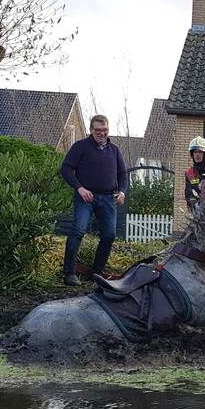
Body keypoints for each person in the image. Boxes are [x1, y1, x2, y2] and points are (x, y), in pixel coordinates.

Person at [60, 114, 128, 286]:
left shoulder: (114, 151)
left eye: (104, 130)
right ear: (91, 131)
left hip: (108, 199)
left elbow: (122, 174)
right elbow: (66, 169)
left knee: (109, 235)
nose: (101, 134)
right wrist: (79, 188)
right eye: (98, 130)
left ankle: (96, 272)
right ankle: (69, 273)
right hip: (86, 197)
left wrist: (122, 192)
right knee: (78, 230)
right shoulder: (80, 147)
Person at [184, 137, 205, 215]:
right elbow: (189, 194)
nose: (197, 155)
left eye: (200, 152)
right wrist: (194, 205)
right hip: (198, 212)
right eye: (195, 152)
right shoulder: (189, 173)